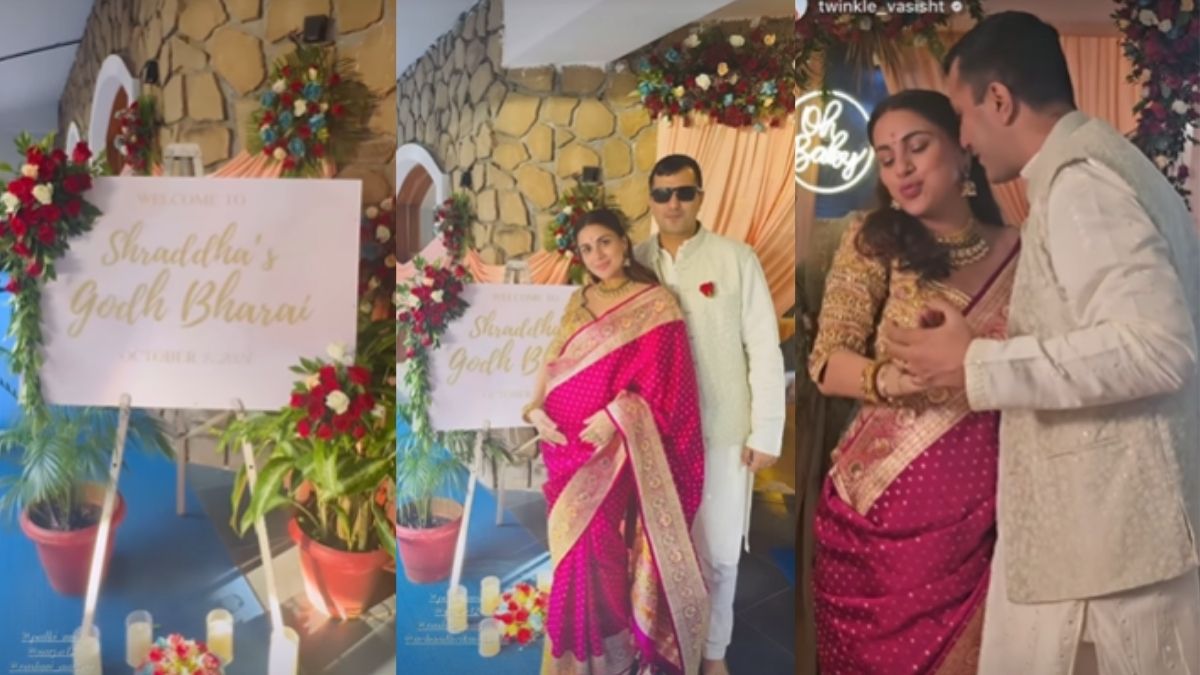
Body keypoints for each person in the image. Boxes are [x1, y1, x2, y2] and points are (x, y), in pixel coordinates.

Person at [883, 12, 1200, 675]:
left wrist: (978, 364)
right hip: (1101, 530)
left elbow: (1156, 346)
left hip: (1113, 538)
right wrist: (976, 345)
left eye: (961, 116)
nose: (964, 140)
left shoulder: (1083, 182)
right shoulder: (1087, 170)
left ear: (998, 99)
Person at [807, 89, 1019, 673]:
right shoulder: (873, 240)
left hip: (983, 518)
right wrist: (895, 380)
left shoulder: (1023, 252)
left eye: (917, 147)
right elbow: (827, 361)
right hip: (875, 511)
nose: (900, 167)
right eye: (885, 156)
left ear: (963, 149)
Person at [523, 208, 709, 675]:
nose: (597, 255)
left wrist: (616, 417)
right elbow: (552, 360)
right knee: (568, 553)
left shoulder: (656, 304)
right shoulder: (579, 298)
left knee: (601, 549)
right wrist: (533, 408)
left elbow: (670, 391)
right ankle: (573, 656)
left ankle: (611, 655)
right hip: (560, 443)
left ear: (625, 243)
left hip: (610, 451)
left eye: (604, 242)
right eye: (586, 249)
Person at [633, 154, 786, 675]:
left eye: (684, 192)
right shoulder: (635, 263)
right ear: (651, 200)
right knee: (656, 550)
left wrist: (766, 430)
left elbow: (764, 347)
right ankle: (660, 645)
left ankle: (713, 650)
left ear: (700, 196)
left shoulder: (735, 259)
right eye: (662, 194)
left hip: (722, 430)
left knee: (719, 551)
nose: (673, 203)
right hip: (655, 434)